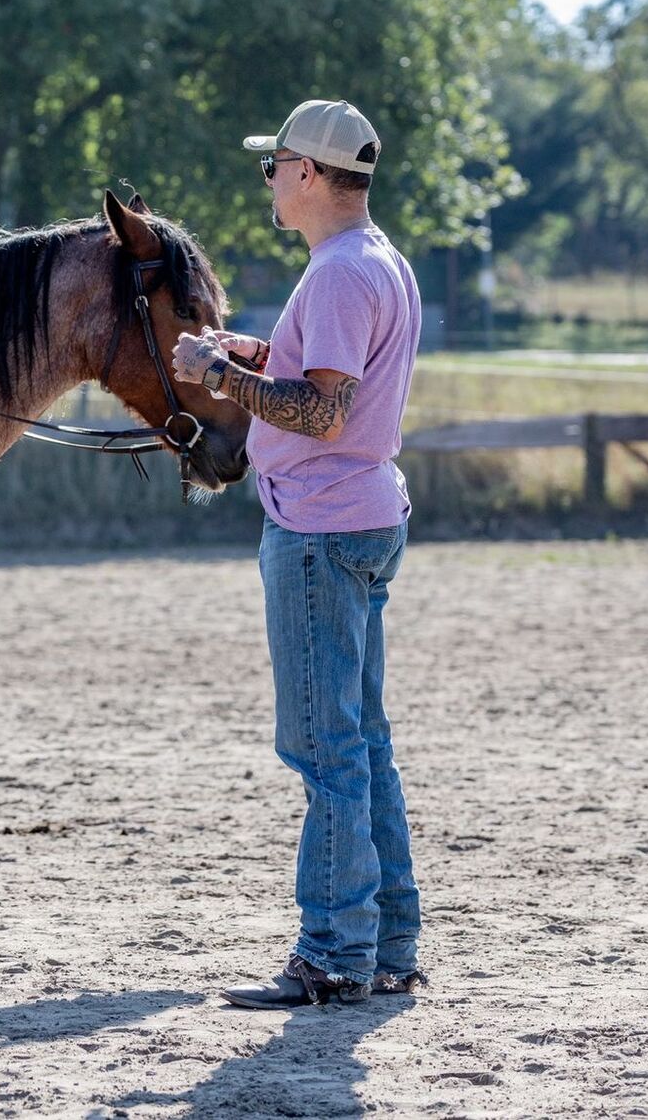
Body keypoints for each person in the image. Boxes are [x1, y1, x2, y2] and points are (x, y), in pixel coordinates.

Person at [169, 99, 426, 1008]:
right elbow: (321, 373)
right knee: (364, 743)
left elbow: (323, 412)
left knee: (323, 751)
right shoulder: (372, 262)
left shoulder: (338, 275)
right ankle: (389, 942)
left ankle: (331, 953)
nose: (269, 180)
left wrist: (219, 377)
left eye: (274, 165)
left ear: (309, 175)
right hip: (360, 517)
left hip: (318, 527)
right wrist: (255, 350)